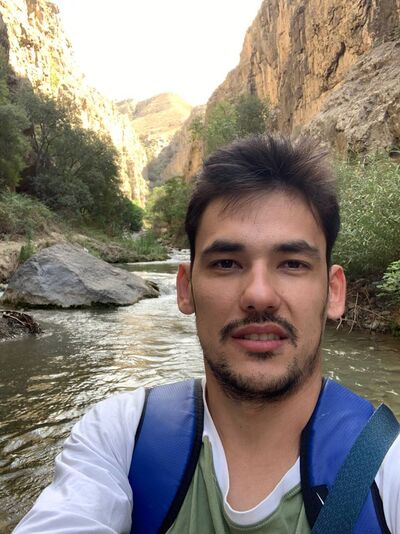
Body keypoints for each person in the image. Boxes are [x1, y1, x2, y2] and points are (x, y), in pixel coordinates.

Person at [14, 135, 400, 533]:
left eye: (293, 264)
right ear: (185, 289)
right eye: (227, 263)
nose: (259, 295)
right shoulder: (118, 438)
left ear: (334, 292)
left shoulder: (389, 465)